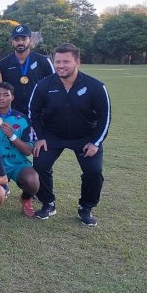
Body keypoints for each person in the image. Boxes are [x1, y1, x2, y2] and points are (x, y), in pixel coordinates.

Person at [28, 43, 110, 226]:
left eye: (66, 61)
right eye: (57, 61)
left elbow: (106, 116)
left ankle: (86, 207)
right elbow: (33, 112)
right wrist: (40, 137)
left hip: (85, 137)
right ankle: (48, 203)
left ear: (77, 62)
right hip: (52, 135)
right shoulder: (44, 85)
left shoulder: (95, 86)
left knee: (94, 171)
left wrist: (96, 142)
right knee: (40, 164)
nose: (60, 66)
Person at [0, 82, 39, 217]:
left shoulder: (22, 119)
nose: (1, 98)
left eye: (5, 95)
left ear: (12, 97)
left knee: (32, 181)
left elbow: (28, 151)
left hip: (17, 164)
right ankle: (1, 187)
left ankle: (25, 199)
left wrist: (12, 135)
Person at [0, 24, 54, 115]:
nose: (20, 42)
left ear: (30, 40)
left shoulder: (43, 61)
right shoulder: (3, 64)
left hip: (39, 113)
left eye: (24, 39)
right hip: (14, 114)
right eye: (17, 39)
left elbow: (53, 84)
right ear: (12, 41)